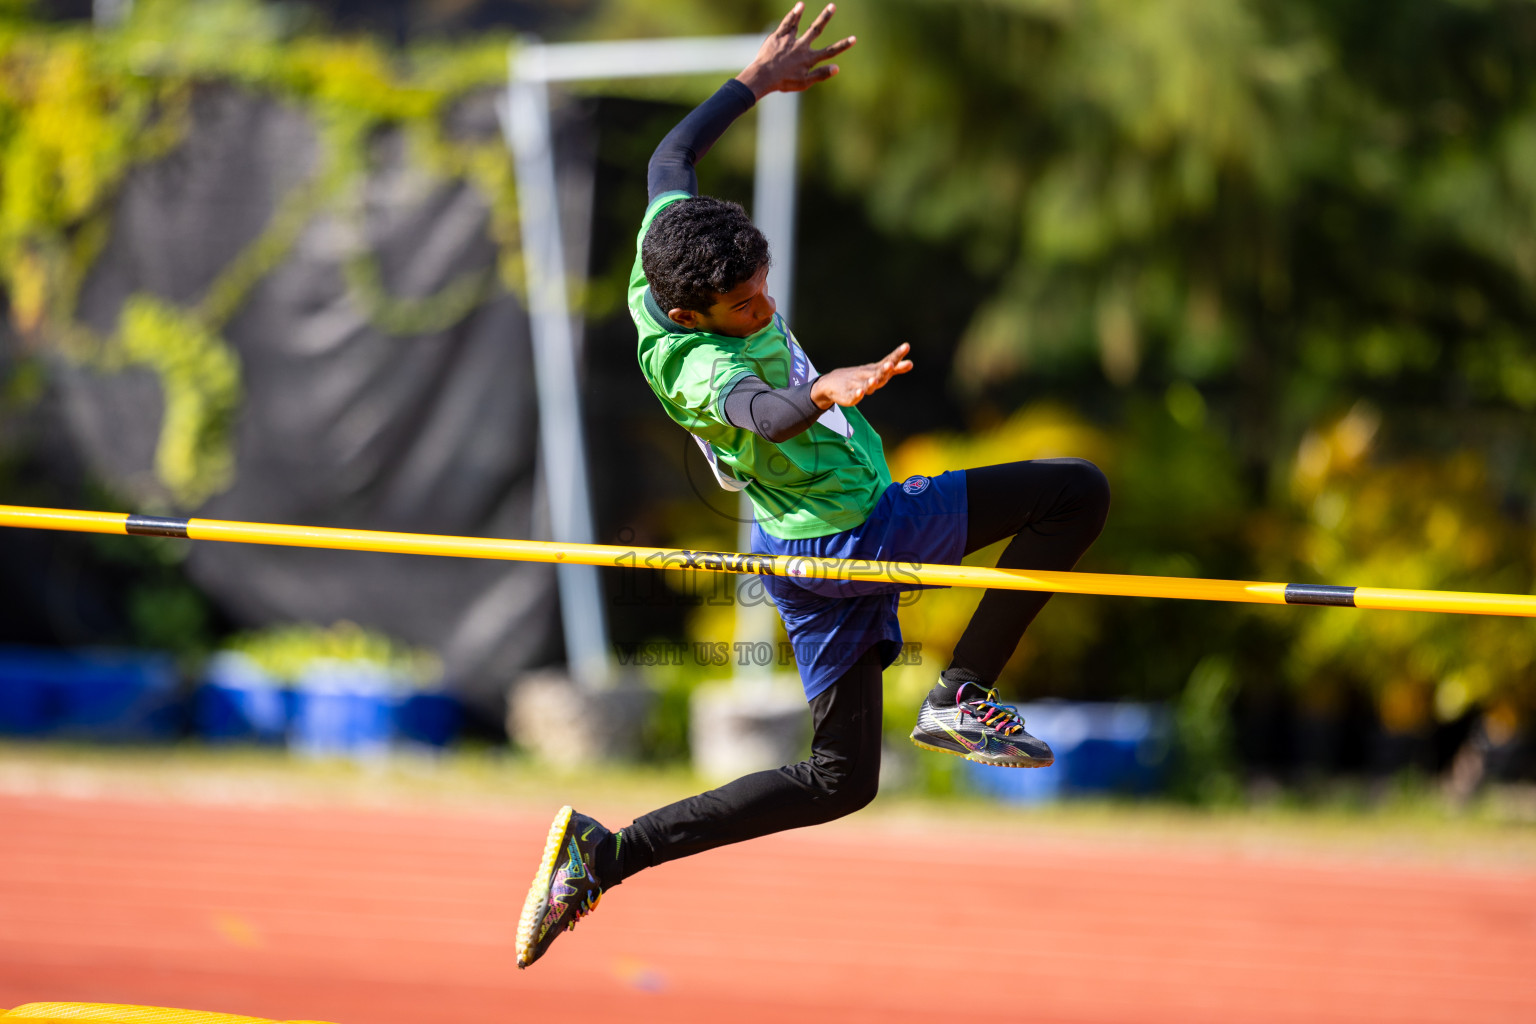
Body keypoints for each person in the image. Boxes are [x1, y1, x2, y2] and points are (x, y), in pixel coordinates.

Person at [516, 2, 1109, 970]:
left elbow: (671, 158)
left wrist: (751, 81)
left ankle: (606, 853)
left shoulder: (672, 240)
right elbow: (760, 411)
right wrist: (821, 390)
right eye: (744, 305)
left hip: (801, 554)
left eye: (765, 284)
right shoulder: (696, 369)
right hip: (856, 531)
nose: (765, 305)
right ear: (685, 313)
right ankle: (962, 694)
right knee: (1073, 492)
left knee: (838, 779)